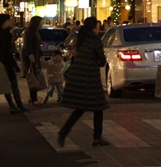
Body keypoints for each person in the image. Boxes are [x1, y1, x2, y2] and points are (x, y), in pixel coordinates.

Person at [57, 17, 110, 147]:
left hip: (78, 77)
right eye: (98, 26)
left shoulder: (81, 39)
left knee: (80, 108)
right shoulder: (95, 40)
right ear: (94, 27)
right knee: (98, 107)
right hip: (90, 78)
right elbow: (102, 61)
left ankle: (64, 132)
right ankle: (97, 138)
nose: (99, 28)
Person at [22, 16, 45, 105]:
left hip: (36, 56)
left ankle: (33, 98)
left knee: (36, 76)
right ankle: (33, 98)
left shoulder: (36, 32)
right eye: (40, 22)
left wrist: (41, 56)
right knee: (33, 77)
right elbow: (27, 46)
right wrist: (31, 56)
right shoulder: (29, 32)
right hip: (31, 57)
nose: (41, 24)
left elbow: (38, 46)